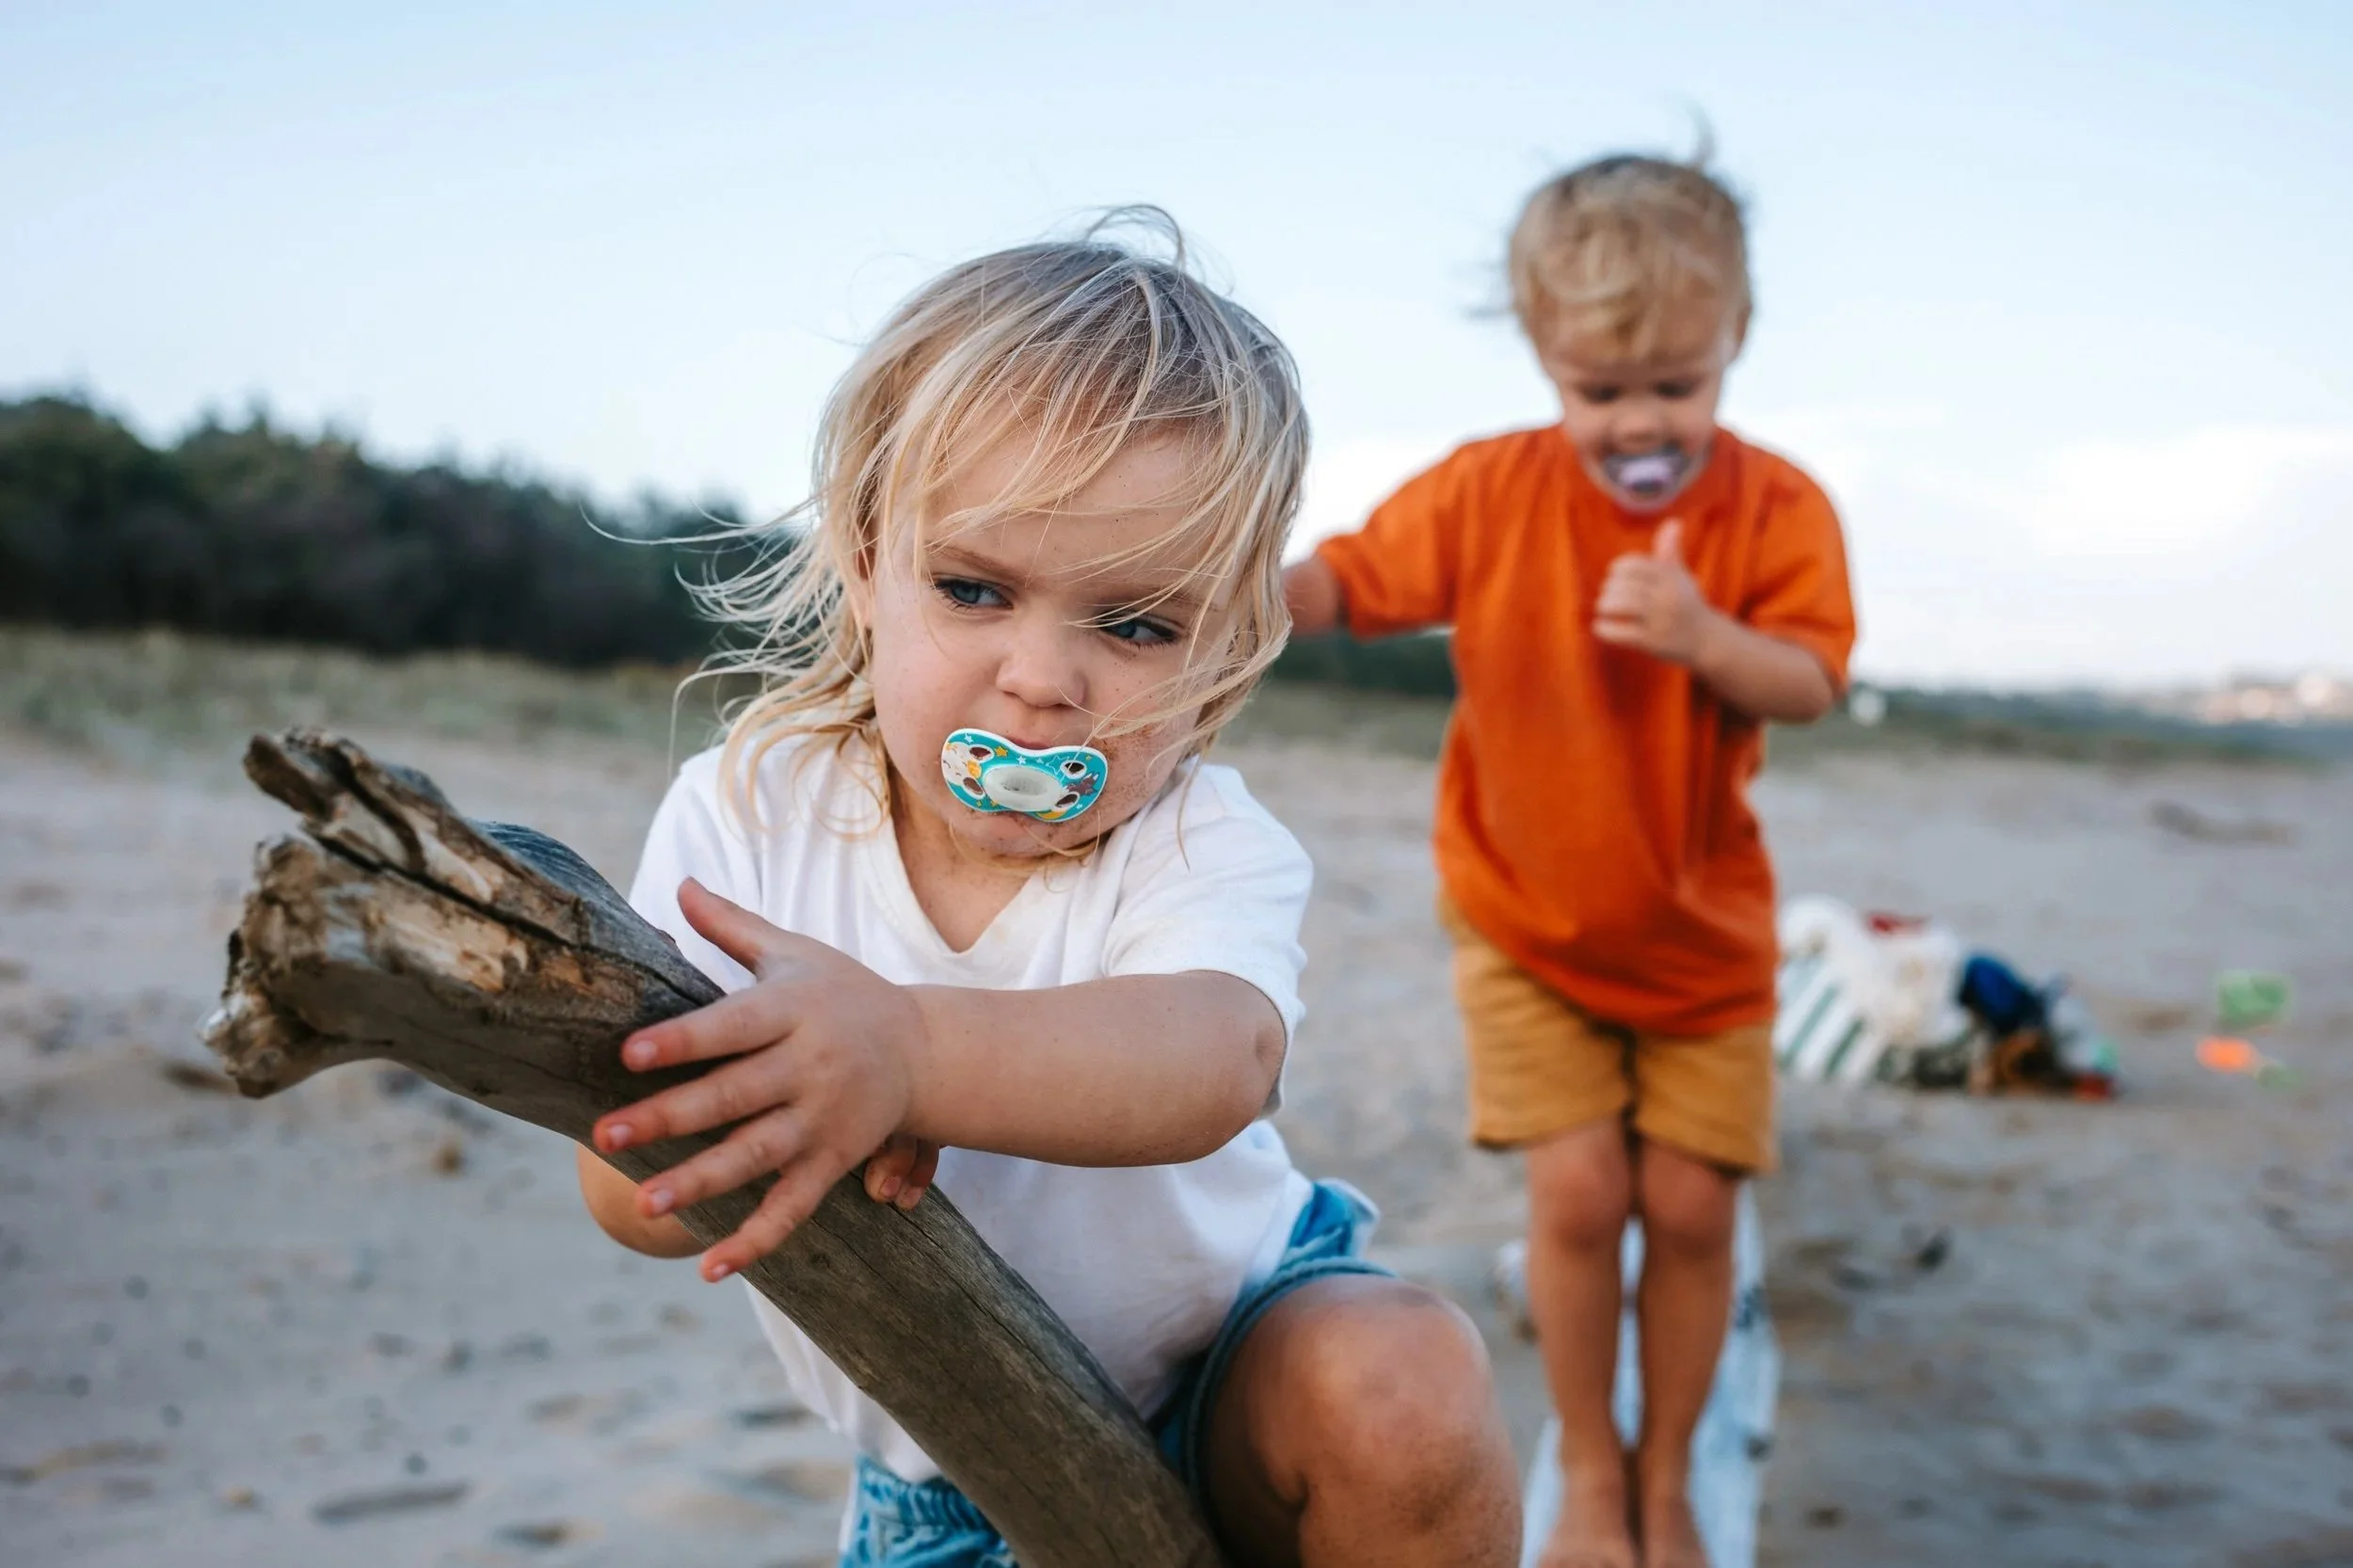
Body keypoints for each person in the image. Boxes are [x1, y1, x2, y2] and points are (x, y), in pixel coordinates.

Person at [571, 215, 1521, 1568]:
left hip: (1238, 1371)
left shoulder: (1194, 836)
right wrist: (726, 1124)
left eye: (1136, 625)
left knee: (1402, 1382)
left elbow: (1216, 1059)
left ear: (1231, 644)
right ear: (863, 554)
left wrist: (909, 1052)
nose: (1042, 678)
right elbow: (621, 1192)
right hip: (951, 1468)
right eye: (975, 588)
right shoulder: (748, 818)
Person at [1285, 154, 1857, 1568]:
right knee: (1584, 1194)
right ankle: (1591, 1466)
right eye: (1600, 391)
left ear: (1735, 344)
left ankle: (1669, 1471)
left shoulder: (1777, 509)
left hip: (1703, 932)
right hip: (1524, 919)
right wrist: (1211, 581)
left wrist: (1707, 637)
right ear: (1546, 359)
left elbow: (1813, 680)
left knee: (1692, 1205)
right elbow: (1346, 583)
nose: (1638, 420)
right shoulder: (1492, 491)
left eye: (1677, 382)